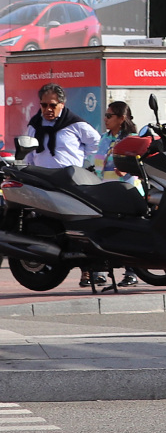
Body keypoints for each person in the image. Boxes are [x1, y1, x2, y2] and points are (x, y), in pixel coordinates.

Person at [26, 83, 103, 286]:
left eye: (52, 105)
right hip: (44, 184)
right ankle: (48, 268)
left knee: (78, 227)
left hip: (70, 184)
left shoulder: (74, 123)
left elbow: (95, 143)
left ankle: (88, 271)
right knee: (49, 228)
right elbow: (29, 154)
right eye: (43, 105)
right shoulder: (34, 125)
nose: (48, 110)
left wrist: (80, 161)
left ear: (62, 104)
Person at [95, 101, 141, 286]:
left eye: (109, 116)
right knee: (103, 231)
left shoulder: (132, 138)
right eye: (105, 115)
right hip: (105, 191)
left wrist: (127, 169)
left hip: (126, 192)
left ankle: (131, 273)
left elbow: (138, 164)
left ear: (121, 118)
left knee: (128, 232)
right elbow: (98, 163)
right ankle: (100, 271)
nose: (105, 119)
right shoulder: (104, 138)